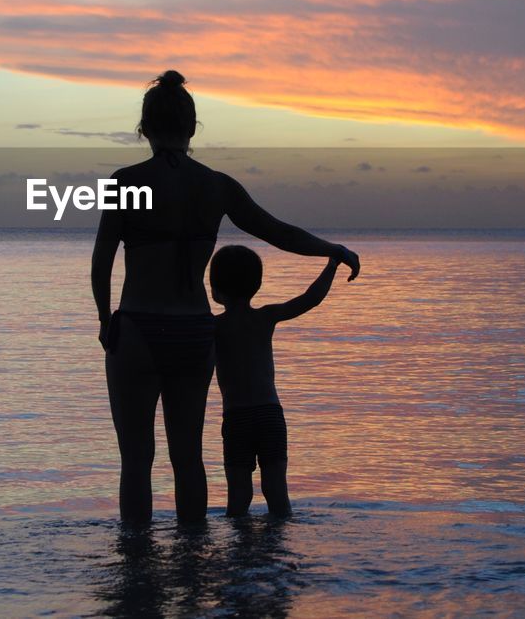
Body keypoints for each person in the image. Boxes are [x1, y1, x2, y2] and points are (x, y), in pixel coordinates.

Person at [92, 70, 360, 525]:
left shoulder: (126, 182)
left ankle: (136, 579)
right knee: (188, 457)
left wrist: (105, 322)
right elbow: (277, 231)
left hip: (139, 326)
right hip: (195, 331)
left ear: (144, 128)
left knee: (136, 459)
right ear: (192, 128)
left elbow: (101, 263)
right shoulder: (217, 185)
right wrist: (331, 250)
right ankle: (193, 566)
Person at [210, 246, 338, 517]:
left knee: (239, 496)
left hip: (237, 418)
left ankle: (241, 552)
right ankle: (278, 546)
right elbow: (310, 299)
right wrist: (332, 264)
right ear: (256, 285)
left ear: (215, 290)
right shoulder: (265, 317)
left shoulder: (214, 326)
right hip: (270, 414)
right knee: (276, 490)